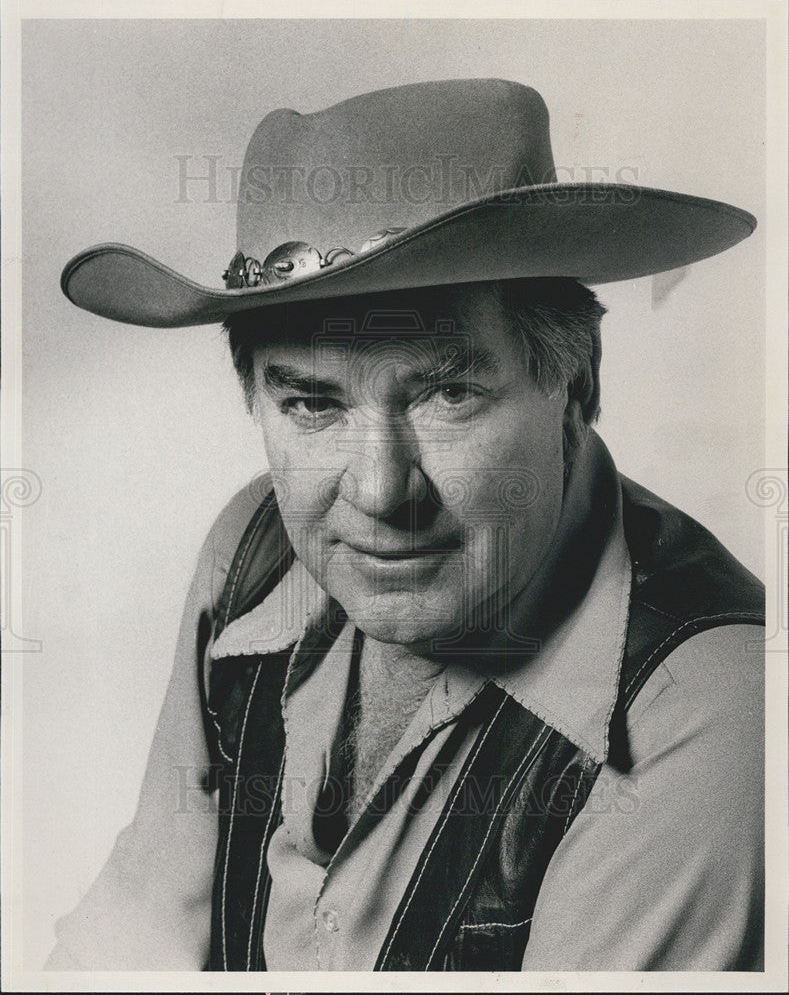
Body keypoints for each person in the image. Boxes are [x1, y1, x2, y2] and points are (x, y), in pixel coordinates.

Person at [47, 79, 764, 972]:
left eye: (445, 394)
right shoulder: (251, 555)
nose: (381, 492)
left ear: (574, 388)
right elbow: (135, 930)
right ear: (255, 401)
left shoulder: (710, 705)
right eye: (313, 404)